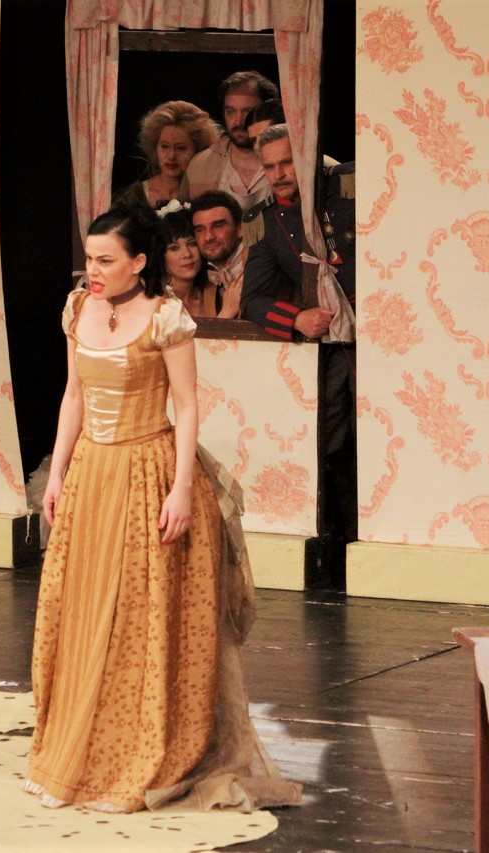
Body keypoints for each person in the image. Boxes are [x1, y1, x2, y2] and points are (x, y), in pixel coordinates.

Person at [23, 204, 302, 814]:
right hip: (92, 472)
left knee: (137, 618)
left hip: (146, 469)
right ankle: (73, 751)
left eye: (106, 260)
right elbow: (73, 395)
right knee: (82, 609)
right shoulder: (78, 307)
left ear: (139, 262)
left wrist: (179, 489)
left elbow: (187, 405)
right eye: (90, 258)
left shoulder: (166, 316)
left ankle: (134, 755)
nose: (94, 270)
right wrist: (57, 470)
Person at [240, 123, 357, 586]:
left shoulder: (347, 185)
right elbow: (252, 299)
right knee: (334, 446)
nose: (280, 175)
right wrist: (296, 318)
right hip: (331, 348)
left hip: (387, 338)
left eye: (287, 162)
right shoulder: (264, 220)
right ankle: (340, 549)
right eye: (270, 167)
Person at [185, 71, 280, 211]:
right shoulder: (201, 165)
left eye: (247, 111)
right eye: (231, 111)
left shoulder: (291, 162)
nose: (238, 121)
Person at [114, 101, 221, 212]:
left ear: (198, 151)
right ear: (155, 147)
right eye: (165, 146)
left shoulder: (206, 197)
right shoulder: (131, 199)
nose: (171, 156)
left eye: (181, 148)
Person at [155, 200, 234, 318]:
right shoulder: (151, 300)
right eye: (174, 248)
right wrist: (227, 313)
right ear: (160, 255)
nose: (187, 254)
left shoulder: (213, 294)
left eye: (192, 244)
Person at [190, 190, 248, 318]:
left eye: (218, 226)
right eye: (200, 229)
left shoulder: (259, 263)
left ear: (240, 229)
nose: (208, 237)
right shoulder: (205, 280)